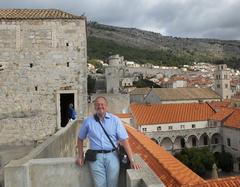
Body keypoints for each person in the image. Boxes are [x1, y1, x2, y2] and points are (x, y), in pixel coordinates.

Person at [76, 96, 140, 187]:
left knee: (112, 185)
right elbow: (80, 139)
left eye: (102, 104)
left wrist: (132, 160)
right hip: (95, 158)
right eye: (97, 105)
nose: (100, 106)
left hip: (112, 156)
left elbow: (124, 141)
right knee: (99, 185)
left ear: (107, 106)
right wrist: (80, 156)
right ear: (94, 107)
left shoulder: (115, 120)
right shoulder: (88, 121)